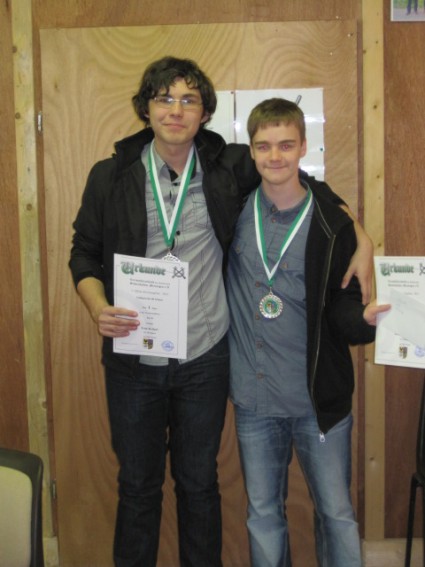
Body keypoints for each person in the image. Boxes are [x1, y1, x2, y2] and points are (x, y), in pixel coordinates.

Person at [69, 57, 373, 567]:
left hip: (204, 360)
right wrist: (97, 306)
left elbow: (296, 178)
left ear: (204, 112)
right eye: (164, 98)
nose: (175, 110)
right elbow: (83, 252)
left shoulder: (225, 165)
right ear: (146, 108)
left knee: (198, 484)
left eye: (188, 99)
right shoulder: (111, 176)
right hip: (134, 359)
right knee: (137, 486)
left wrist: (359, 233)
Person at [226, 98, 390, 567]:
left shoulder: (332, 224)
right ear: (251, 151)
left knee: (337, 514)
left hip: (318, 401)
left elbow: (343, 304)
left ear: (303, 147)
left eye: (286, 145)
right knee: (262, 514)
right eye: (263, 146)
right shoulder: (232, 208)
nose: (274, 156)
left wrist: (365, 322)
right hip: (254, 399)